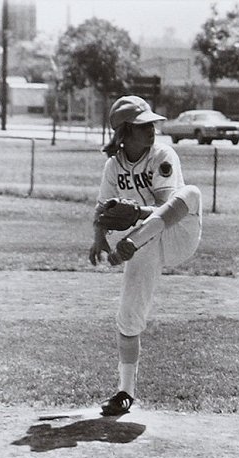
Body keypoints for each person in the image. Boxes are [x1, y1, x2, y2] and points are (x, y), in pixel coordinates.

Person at [89, 95, 202, 416]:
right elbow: (102, 208)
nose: (151, 130)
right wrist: (98, 238)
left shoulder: (163, 155)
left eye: (152, 124)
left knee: (192, 192)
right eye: (142, 126)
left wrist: (137, 213)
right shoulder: (113, 166)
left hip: (177, 236)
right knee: (128, 316)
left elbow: (171, 209)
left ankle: (133, 241)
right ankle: (125, 392)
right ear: (124, 132)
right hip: (142, 245)